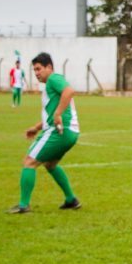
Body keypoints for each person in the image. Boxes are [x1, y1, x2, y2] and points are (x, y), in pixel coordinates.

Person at [7, 52, 81, 213]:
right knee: (50, 164)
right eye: (34, 70)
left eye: (39, 69)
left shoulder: (54, 79)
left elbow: (69, 91)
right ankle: (71, 199)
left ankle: (23, 205)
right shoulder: (51, 84)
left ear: (49, 67)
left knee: (29, 162)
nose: (37, 73)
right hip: (69, 132)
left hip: (60, 131)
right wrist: (37, 127)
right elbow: (53, 112)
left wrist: (58, 114)